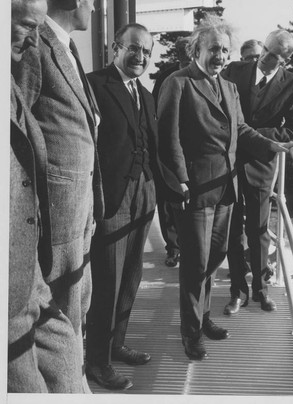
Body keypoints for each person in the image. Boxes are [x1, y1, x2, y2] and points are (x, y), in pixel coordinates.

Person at [157, 15, 293, 361]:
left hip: (226, 188)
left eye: (225, 50)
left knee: (214, 258)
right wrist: (180, 181)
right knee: (195, 263)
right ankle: (190, 333)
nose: (220, 56)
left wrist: (273, 146)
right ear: (196, 49)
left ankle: (203, 318)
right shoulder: (178, 83)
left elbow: (242, 130)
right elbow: (167, 138)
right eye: (213, 49)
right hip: (195, 189)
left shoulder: (230, 87)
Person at [12, 0, 104, 392]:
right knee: (61, 320)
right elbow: (17, 127)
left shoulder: (65, 46)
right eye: (94, 1)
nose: (95, 11)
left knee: (75, 310)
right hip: (54, 217)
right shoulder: (33, 43)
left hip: (78, 212)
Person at [85, 23, 158, 390]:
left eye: (146, 51)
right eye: (134, 49)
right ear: (116, 48)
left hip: (145, 191)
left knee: (132, 274)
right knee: (108, 281)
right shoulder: (94, 84)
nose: (140, 57)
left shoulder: (145, 93)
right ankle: (97, 362)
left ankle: (117, 344)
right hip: (113, 197)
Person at [221, 29, 293, 315]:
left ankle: (260, 290)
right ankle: (237, 292)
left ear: (287, 59)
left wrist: (253, 135)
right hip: (228, 163)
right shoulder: (234, 70)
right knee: (232, 231)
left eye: (274, 56)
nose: (266, 59)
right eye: (266, 51)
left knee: (258, 231)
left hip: (260, 164)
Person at [151, 36, 191, 267]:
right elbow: (157, 105)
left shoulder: (201, 74)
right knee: (168, 200)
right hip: (168, 143)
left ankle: (188, 246)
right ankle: (173, 248)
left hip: (192, 146)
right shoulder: (167, 75)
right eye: (183, 57)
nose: (187, 61)